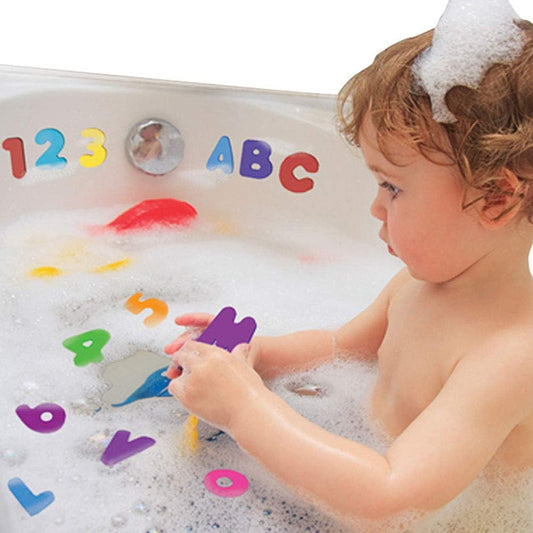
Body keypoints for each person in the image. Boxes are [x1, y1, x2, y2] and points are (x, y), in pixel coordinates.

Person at [164, 18, 533, 527]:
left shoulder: (511, 356)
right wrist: (256, 356)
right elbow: (342, 347)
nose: (375, 209)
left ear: (495, 200)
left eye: (392, 188)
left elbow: (393, 495)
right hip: (357, 460)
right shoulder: (417, 284)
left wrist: (243, 408)